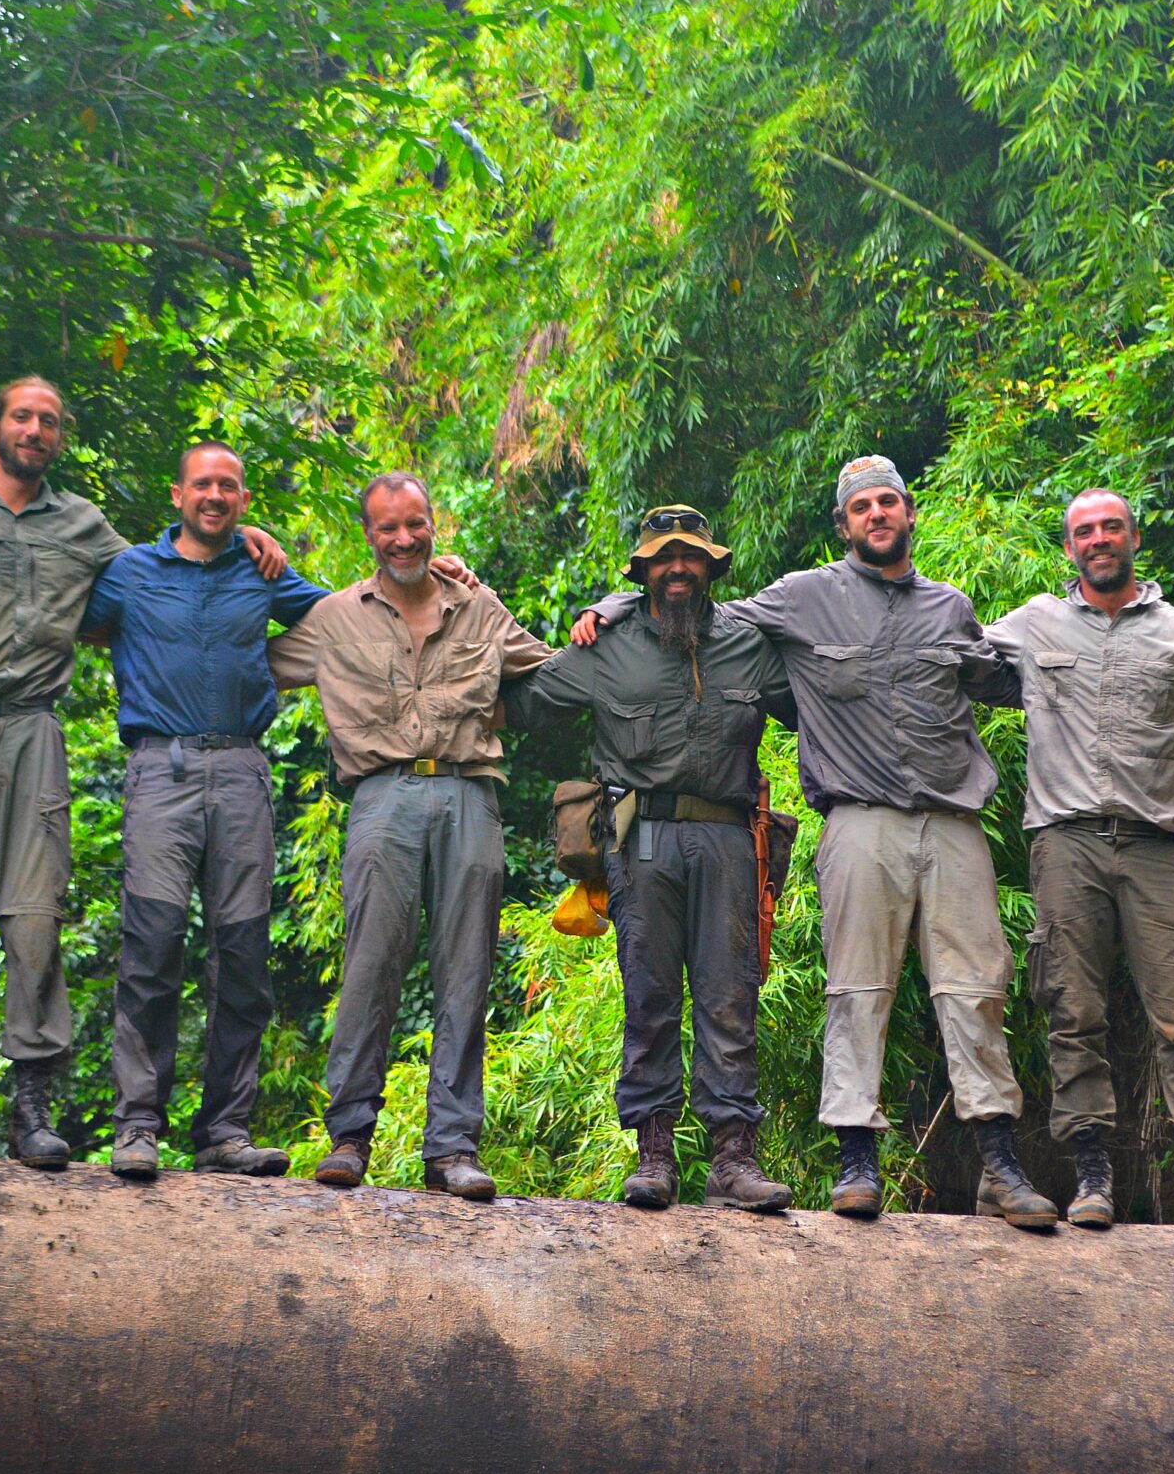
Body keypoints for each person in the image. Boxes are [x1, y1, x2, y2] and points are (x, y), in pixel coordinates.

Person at [0, 378, 286, 1171]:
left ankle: (31, 1105)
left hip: (34, 728)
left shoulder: (82, 526)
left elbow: (168, 570)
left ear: (58, 437)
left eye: (49, 421)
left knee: (36, 917)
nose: (35, 429)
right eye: (22, 417)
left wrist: (249, 534)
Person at [574, 458, 1047, 1225]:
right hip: (857, 820)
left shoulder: (951, 608)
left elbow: (1007, 677)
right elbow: (691, 603)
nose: (877, 514)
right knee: (855, 992)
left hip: (955, 822)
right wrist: (614, 602)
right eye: (862, 505)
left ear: (909, 511)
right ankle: (855, 1163)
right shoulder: (801, 598)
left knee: (976, 991)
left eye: (888, 501)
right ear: (844, 523)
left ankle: (1000, 1162)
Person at [982, 488, 1174, 1234]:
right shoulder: (1032, 622)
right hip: (1064, 842)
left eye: (1110, 527)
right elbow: (948, 656)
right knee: (1074, 1012)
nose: (1098, 539)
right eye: (1084, 531)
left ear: (1134, 535)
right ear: (1068, 548)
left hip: (1156, 844)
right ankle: (1092, 1177)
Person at [266, 472, 551, 1201]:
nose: (403, 538)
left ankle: (453, 1147)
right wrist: (247, 557)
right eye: (388, 527)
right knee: (370, 964)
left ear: (434, 525)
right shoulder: (333, 618)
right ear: (368, 534)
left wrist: (606, 619)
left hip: (469, 794)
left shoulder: (478, 605)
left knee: (466, 970)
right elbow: (252, 664)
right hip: (381, 795)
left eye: (415, 524)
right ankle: (349, 1135)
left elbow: (554, 672)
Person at [509, 506, 796, 1212]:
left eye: (690, 557)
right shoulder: (605, 646)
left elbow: (820, 703)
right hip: (640, 842)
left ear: (710, 567)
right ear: (641, 571)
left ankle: (734, 1158)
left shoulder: (751, 644)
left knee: (731, 996)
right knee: (650, 995)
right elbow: (521, 699)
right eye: (663, 559)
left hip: (729, 838)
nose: (677, 569)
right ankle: (655, 1153)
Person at [78, 441, 327, 1181]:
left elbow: (350, 617)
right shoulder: (130, 574)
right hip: (161, 770)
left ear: (244, 500)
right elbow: (81, 623)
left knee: (244, 953)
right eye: (202, 484)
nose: (215, 495)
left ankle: (224, 1129)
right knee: (152, 945)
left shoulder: (263, 570)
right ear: (178, 494)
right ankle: (137, 1125)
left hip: (244, 770)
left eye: (228, 486)